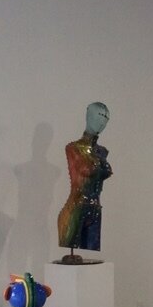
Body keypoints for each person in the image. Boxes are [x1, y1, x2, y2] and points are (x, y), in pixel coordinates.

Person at [57, 102, 112, 262]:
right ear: (89, 115)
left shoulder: (102, 151)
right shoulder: (74, 148)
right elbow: (88, 170)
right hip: (76, 206)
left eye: (106, 118)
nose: (102, 122)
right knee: (72, 246)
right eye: (100, 116)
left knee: (91, 257)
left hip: (96, 208)